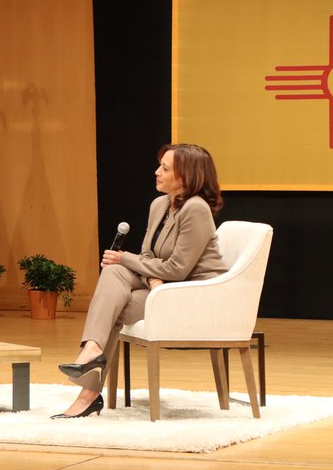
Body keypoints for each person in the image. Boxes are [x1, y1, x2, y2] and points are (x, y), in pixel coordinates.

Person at [53, 143, 229, 419]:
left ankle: (89, 378)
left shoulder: (196, 209)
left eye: (165, 168)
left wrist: (125, 259)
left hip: (192, 295)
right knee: (112, 274)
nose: (156, 172)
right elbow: (148, 254)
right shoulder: (159, 204)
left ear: (187, 176)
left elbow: (179, 269)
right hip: (161, 288)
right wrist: (151, 279)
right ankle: (92, 356)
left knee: (114, 292)